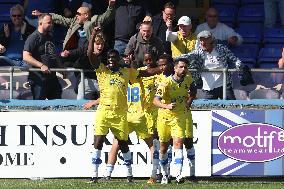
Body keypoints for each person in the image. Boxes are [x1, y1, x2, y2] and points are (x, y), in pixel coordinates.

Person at [87, 28, 161, 183]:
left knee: (122, 143)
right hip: (104, 112)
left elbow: (145, 73)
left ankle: (129, 174)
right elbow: (90, 55)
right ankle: (94, 175)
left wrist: (160, 69)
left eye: (114, 58)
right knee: (98, 141)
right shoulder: (102, 71)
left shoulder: (126, 72)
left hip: (121, 114)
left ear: (118, 59)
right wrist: (93, 36)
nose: (111, 60)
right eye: (109, 58)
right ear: (106, 60)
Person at [153, 58, 196, 184]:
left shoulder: (188, 79)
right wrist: (166, 106)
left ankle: (178, 174)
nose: (183, 70)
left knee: (178, 143)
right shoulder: (166, 83)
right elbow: (155, 101)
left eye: (185, 67)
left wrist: (189, 102)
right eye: (181, 67)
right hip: (164, 117)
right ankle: (165, 174)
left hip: (179, 116)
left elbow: (193, 90)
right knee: (163, 147)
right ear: (175, 68)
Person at [179, 30, 243, 100]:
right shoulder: (198, 52)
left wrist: (239, 65)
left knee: (232, 106)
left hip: (225, 85)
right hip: (208, 88)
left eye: (205, 40)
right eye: (201, 41)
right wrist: (174, 59)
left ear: (211, 40)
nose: (203, 43)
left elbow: (234, 59)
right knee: (207, 109)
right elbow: (187, 56)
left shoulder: (221, 48)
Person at [32, 0, 116, 51]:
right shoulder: (75, 22)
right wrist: (43, 14)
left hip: (91, 52)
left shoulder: (95, 20)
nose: (76, 15)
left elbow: (107, 16)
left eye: (78, 14)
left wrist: (111, 7)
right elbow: (60, 19)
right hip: (77, 52)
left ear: (86, 15)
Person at [23, 13, 62, 100]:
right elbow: (26, 56)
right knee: (39, 107)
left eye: (52, 22)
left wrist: (61, 67)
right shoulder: (34, 37)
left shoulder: (50, 36)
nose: (51, 25)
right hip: (39, 79)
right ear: (40, 23)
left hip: (52, 78)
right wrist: (41, 65)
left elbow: (53, 54)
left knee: (58, 105)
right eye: (49, 22)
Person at [60, 28, 106, 99]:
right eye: (97, 44)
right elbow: (78, 51)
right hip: (85, 79)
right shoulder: (85, 49)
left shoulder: (105, 53)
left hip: (100, 81)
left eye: (102, 44)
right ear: (92, 43)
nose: (100, 47)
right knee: (81, 100)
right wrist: (68, 53)